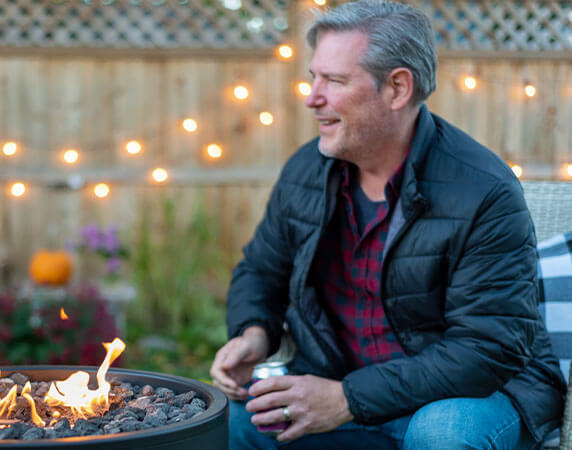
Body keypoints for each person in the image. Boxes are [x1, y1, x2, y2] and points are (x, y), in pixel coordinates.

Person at [209, 1, 566, 449]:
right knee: (224, 423)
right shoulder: (306, 170)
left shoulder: (484, 190)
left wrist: (347, 399)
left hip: (466, 397)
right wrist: (253, 334)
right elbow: (261, 270)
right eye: (312, 77)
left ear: (397, 89)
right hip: (339, 384)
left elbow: (487, 349)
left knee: (442, 435)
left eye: (334, 81)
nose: (311, 97)